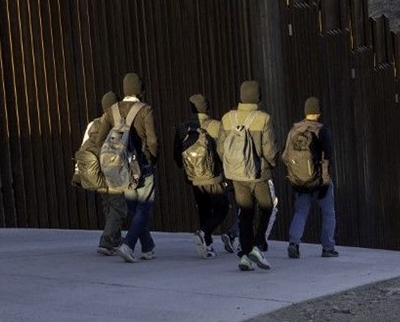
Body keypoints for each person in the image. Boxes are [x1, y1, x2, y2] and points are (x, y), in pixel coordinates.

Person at [93, 72, 159, 262]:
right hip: (142, 165)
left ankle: (147, 247)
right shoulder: (145, 109)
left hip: (122, 169)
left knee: (135, 208)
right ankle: (128, 245)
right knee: (144, 207)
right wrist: (153, 158)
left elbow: (99, 140)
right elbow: (152, 141)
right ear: (140, 90)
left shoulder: (112, 110)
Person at [218, 80, 277, 272]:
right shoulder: (263, 118)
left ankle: (245, 255)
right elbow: (269, 150)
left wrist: (233, 165)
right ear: (258, 96)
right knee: (268, 208)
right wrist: (272, 164)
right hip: (259, 175)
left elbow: (221, 149)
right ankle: (257, 246)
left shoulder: (227, 118)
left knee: (245, 213)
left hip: (237, 175)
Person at [173, 94, 231, 259]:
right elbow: (223, 151)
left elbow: (177, 153)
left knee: (203, 207)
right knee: (222, 207)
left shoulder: (183, 127)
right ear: (207, 107)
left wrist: (185, 168)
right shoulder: (216, 126)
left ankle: (207, 244)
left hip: (194, 177)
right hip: (213, 176)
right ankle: (203, 232)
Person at [285, 96, 338, 258]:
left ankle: (294, 243)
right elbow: (327, 158)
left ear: (306, 111)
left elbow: (285, 156)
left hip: (300, 182)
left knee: (301, 212)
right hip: (320, 181)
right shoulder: (322, 130)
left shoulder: (294, 130)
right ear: (319, 112)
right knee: (328, 213)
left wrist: (295, 176)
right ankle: (328, 248)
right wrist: (325, 181)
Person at [82, 91, 127, 255]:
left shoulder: (92, 124)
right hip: (113, 170)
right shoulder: (119, 124)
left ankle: (115, 240)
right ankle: (106, 242)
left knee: (108, 206)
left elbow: (83, 147)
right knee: (119, 208)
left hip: (96, 171)